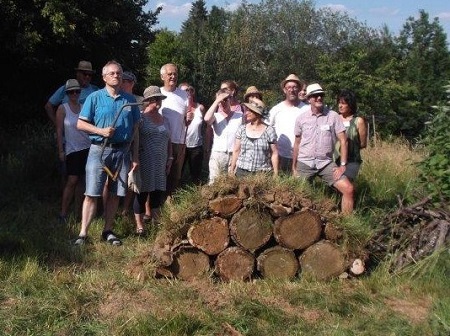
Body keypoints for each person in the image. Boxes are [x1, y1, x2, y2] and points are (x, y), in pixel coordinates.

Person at [74, 60, 141, 245]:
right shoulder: (94, 98)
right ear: (104, 77)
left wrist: (134, 156)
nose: (116, 76)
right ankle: (83, 234)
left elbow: (135, 129)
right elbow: (80, 123)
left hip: (122, 152)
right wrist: (101, 131)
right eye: (111, 73)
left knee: (115, 193)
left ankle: (108, 230)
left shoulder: (129, 101)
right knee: (92, 193)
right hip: (99, 151)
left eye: (118, 73)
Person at [292, 83, 354, 215]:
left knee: (348, 189)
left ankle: (347, 227)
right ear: (309, 99)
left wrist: (343, 165)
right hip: (304, 162)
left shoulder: (333, 116)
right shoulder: (301, 118)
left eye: (321, 95)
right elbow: (297, 143)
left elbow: (344, 140)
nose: (319, 98)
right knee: (296, 195)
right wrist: (294, 166)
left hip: (325, 163)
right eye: (315, 96)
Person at [133, 86, 172, 234]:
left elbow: (169, 140)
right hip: (144, 161)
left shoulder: (165, 120)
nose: (158, 102)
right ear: (148, 100)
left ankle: (156, 221)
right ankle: (139, 224)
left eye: (159, 99)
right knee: (142, 192)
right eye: (155, 99)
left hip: (161, 161)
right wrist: (135, 158)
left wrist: (170, 157)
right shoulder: (141, 118)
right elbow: (134, 140)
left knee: (157, 191)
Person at [56, 79, 91, 222]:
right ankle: (63, 213)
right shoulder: (62, 108)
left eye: (77, 91)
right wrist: (60, 150)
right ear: (67, 93)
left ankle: (78, 213)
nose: (74, 94)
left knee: (82, 181)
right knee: (72, 180)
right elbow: (59, 131)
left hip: (87, 147)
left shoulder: (84, 107)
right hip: (72, 149)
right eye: (71, 92)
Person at [159, 63, 191, 196]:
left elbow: (187, 118)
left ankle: (169, 200)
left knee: (175, 175)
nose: (173, 76)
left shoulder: (184, 95)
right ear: (162, 77)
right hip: (160, 140)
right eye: (170, 74)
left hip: (178, 140)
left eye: (175, 74)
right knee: (159, 172)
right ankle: (154, 203)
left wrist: (189, 117)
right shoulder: (157, 93)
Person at [269, 74, 306, 174]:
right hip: (280, 157)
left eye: (294, 87)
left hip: (302, 157)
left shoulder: (307, 110)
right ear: (284, 90)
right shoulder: (276, 109)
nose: (292, 90)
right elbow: (267, 129)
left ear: (299, 89)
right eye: (289, 87)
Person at [204, 88, 244, 184]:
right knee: (214, 182)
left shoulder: (240, 116)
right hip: (218, 154)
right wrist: (217, 100)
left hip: (235, 154)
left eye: (225, 100)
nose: (223, 103)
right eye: (220, 101)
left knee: (233, 182)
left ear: (230, 99)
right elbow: (206, 119)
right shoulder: (216, 116)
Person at [229, 101, 278, 177]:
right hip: (241, 173)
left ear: (257, 113)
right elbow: (236, 150)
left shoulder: (269, 130)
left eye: (249, 110)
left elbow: (274, 153)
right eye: (246, 110)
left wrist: (275, 173)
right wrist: (232, 169)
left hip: (261, 175)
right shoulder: (242, 129)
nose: (246, 113)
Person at [45, 60, 98, 126]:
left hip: (87, 133)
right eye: (84, 74)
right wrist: (58, 125)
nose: (87, 77)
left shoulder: (96, 90)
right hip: (67, 133)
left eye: (90, 75)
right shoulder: (66, 88)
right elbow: (49, 106)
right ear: (77, 73)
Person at [334, 89, 368, 181]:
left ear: (351, 105)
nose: (340, 106)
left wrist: (350, 146)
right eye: (339, 103)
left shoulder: (358, 121)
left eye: (343, 103)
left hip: (352, 160)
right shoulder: (334, 119)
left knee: (346, 184)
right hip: (334, 159)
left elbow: (363, 144)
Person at [179, 83, 206, 185]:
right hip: (181, 145)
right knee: (177, 173)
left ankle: (195, 196)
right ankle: (172, 195)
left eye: (190, 90)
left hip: (196, 146)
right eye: (185, 90)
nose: (188, 92)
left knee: (196, 175)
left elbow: (205, 125)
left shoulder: (201, 108)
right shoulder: (179, 108)